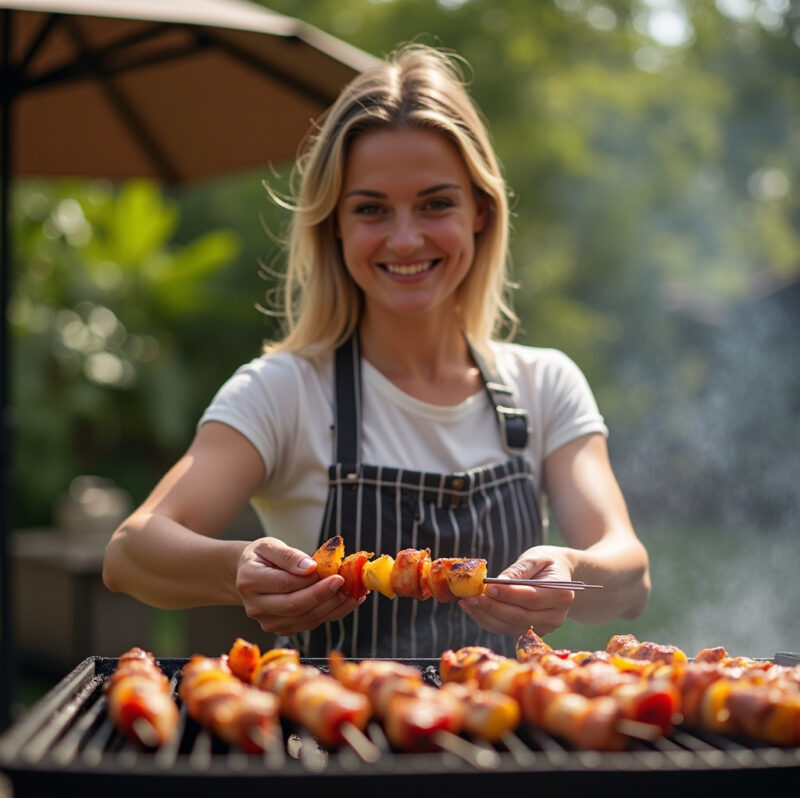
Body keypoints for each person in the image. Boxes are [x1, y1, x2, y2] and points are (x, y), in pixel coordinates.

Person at [103, 43, 650, 658]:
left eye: (436, 202)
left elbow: (629, 575)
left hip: (511, 747)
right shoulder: (281, 390)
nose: (406, 237)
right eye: (371, 209)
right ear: (333, 224)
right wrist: (235, 568)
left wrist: (574, 572)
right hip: (331, 744)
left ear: (480, 210)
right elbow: (130, 552)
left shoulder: (546, 384)